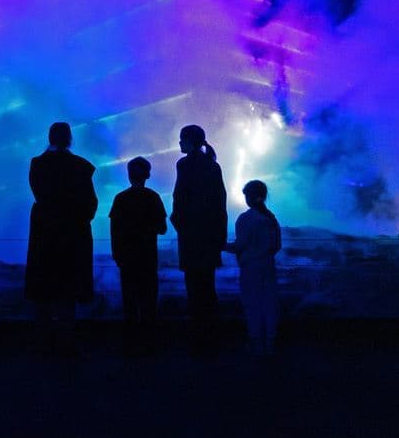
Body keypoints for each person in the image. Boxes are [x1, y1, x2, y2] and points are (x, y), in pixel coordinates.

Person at [24, 122, 98, 349]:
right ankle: (67, 341)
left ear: (50, 137)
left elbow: (39, 195)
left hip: (44, 235)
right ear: (69, 139)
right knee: (68, 290)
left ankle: (43, 341)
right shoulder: (80, 166)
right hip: (72, 236)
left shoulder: (38, 165)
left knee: (43, 290)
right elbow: (90, 203)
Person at [170, 124, 227, 352]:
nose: (179, 143)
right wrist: (220, 238)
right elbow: (220, 203)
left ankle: (198, 341)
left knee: (194, 291)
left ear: (189, 141)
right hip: (209, 239)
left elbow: (179, 199)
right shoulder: (213, 166)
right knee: (208, 289)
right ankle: (212, 338)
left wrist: (180, 225)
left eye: (182, 139)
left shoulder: (184, 165)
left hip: (191, 239)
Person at [109, 156, 167, 353]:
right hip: (148, 257)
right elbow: (163, 229)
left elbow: (114, 230)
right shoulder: (153, 197)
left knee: (130, 301)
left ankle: (131, 343)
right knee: (149, 300)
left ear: (129, 175)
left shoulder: (120, 199)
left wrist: (117, 254)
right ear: (147, 175)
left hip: (127, 258)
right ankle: (150, 343)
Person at [224, 180, 281, 355]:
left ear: (248, 197)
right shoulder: (271, 219)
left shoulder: (246, 219)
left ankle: (257, 344)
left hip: (250, 268)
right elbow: (277, 246)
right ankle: (270, 344)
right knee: (269, 304)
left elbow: (239, 246)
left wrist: (221, 245)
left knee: (253, 305)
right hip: (268, 266)